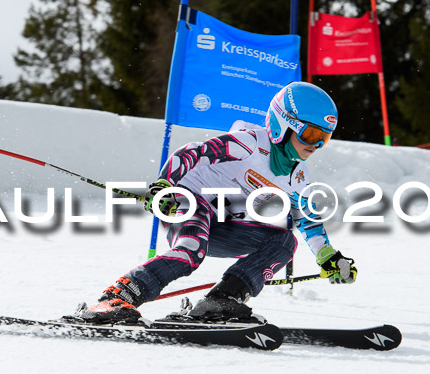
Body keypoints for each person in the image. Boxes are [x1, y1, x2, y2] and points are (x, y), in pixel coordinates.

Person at [74, 82, 357, 324]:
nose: (316, 145)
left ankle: (221, 301)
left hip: (222, 224)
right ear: (283, 125)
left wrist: (328, 257)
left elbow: (306, 218)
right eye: (310, 135)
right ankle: (114, 299)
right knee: (190, 252)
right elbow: (192, 152)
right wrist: (165, 185)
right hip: (188, 203)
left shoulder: (299, 176)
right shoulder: (248, 144)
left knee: (284, 242)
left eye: (324, 138)